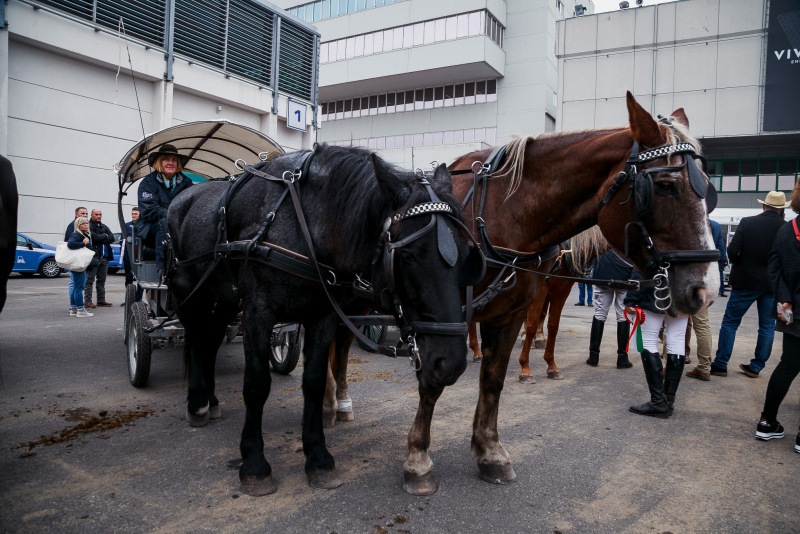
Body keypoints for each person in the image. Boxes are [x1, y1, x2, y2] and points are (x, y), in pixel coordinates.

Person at [710, 191, 788, 378]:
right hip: (771, 285)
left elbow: (732, 250)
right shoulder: (786, 228)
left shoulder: (748, 222)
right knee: (767, 327)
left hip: (745, 281)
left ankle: (721, 364)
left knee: (730, 322)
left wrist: (741, 262)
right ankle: (756, 366)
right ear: (782, 209)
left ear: (764, 206)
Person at [754, 182, 800, 453]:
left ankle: (767, 422)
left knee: (787, 366)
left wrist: (786, 299)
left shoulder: (787, 230)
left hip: (793, 311)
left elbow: (774, 269)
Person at [624, 283, 689, 418]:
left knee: (648, 341)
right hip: (684, 293)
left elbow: (642, 267)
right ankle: (668, 400)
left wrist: (631, 298)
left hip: (655, 292)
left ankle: (658, 401)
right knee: (677, 341)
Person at [137, 144, 193, 271]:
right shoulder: (148, 183)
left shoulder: (187, 182)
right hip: (152, 228)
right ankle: (164, 267)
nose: (170, 162)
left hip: (180, 226)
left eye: (174, 160)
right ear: (159, 162)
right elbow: (148, 210)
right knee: (164, 219)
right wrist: (171, 215)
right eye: (167, 159)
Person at [587, 250, 635, 369]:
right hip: (625, 273)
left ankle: (593, 356)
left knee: (600, 313)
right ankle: (622, 357)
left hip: (603, 270)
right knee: (622, 315)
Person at [84, 209, 115, 308]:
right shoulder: (88, 225)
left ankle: (101, 300)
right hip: (94, 258)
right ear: (92, 215)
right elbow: (94, 237)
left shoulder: (104, 226)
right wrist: (104, 236)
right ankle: (87, 301)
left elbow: (112, 238)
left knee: (102, 280)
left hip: (104, 258)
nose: (98, 216)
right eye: (96, 214)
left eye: (100, 214)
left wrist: (103, 237)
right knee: (89, 280)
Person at [67, 216, 93, 318]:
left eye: (87, 223)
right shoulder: (77, 234)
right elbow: (70, 244)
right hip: (79, 264)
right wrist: (83, 243)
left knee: (76, 287)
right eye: (84, 223)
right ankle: (80, 310)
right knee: (79, 287)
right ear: (79, 225)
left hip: (78, 264)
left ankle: (73, 308)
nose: (86, 225)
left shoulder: (81, 234)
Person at [64, 206, 89, 313]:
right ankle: (79, 308)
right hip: (77, 262)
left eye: (86, 214)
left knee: (77, 285)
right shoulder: (76, 232)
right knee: (77, 286)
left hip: (80, 262)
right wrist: (83, 243)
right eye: (82, 214)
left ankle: (74, 306)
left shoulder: (83, 233)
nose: (85, 216)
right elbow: (70, 243)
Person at [710, 218, 728, 297]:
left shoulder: (707, 223)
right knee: (719, 273)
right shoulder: (716, 224)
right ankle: (720, 290)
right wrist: (723, 257)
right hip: (717, 255)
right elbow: (720, 242)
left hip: (706, 254)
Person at [123, 206, 139, 287]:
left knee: (140, 275)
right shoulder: (127, 225)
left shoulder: (143, 225)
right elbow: (123, 240)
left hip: (140, 253)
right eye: (132, 214)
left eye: (136, 214)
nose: (133, 215)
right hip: (128, 253)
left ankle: (139, 297)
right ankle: (129, 295)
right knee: (128, 275)